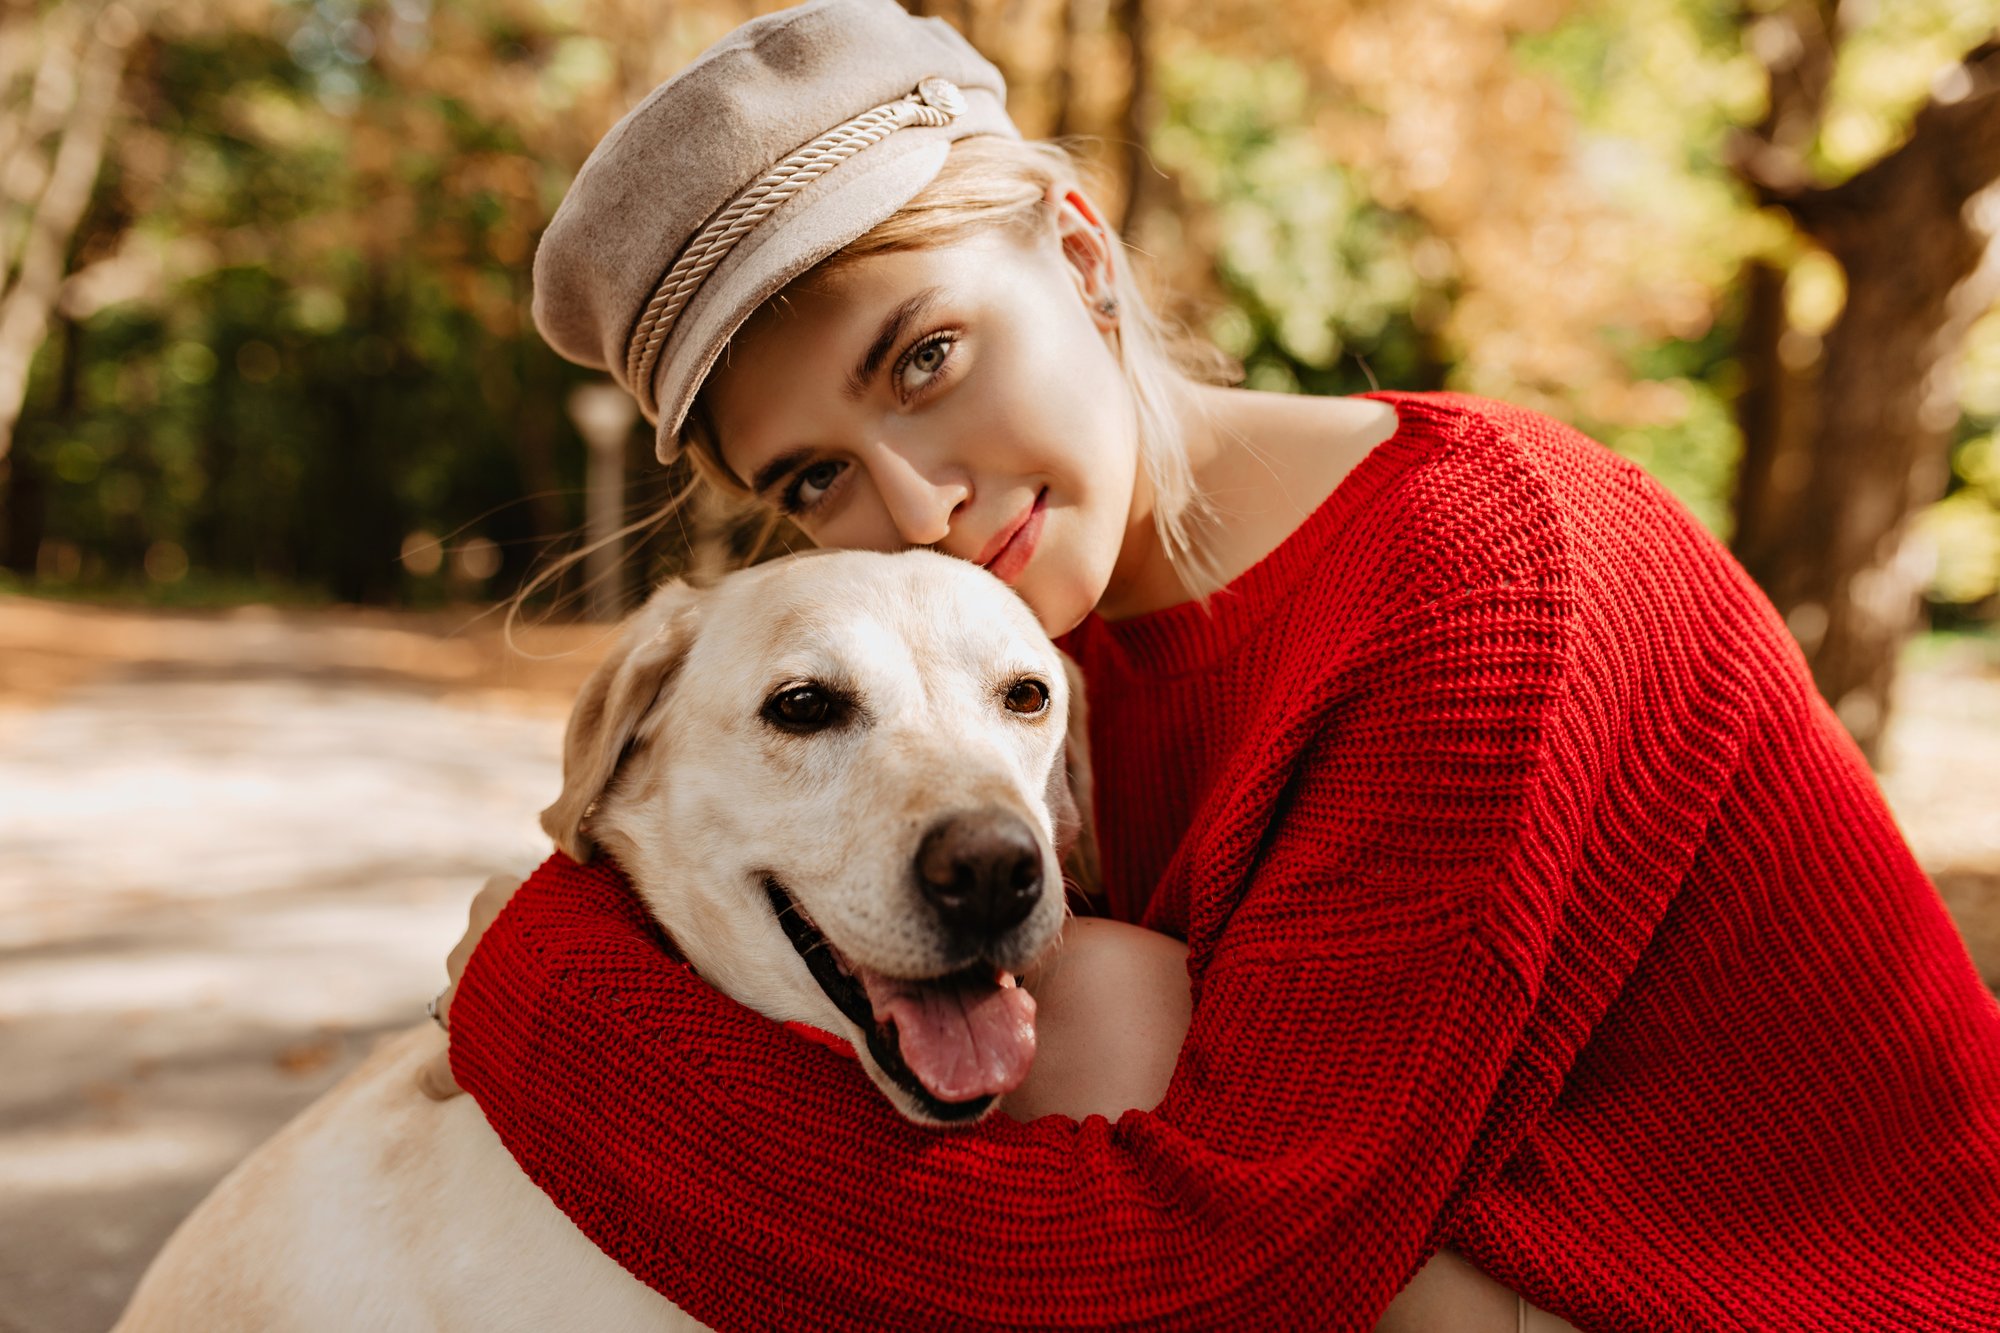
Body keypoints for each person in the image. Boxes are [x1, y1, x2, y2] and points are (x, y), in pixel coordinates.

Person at [418, 1, 2000, 1328]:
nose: (916, 504)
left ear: (1084, 258)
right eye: (813, 478)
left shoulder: (1485, 573)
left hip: (1797, 1299)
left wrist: (551, 1007)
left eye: (925, 358)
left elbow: (1227, 1271)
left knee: (1095, 1012)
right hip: (1462, 1258)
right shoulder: (1019, 655)